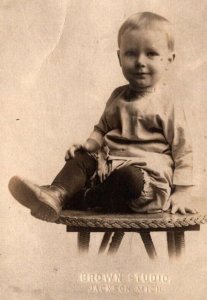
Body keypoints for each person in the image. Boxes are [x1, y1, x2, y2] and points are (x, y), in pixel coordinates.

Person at [8, 11, 197, 222]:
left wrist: (183, 191)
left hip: (145, 180)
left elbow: (183, 149)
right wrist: (89, 144)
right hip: (109, 168)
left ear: (169, 60)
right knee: (80, 157)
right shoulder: (117, 95)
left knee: (129, 177)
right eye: (131, 54)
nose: (140, 62)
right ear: (119, 57)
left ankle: (82, 198)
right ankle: (57, 193)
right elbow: (101, 129)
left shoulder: (168, 103)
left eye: (151, 54)